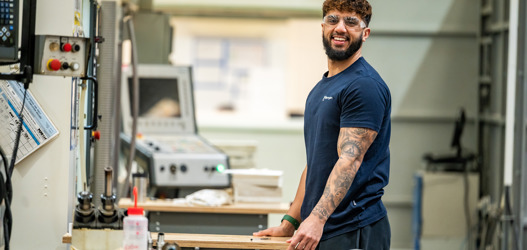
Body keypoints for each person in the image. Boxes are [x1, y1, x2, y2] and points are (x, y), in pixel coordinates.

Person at [253, 0, 391, 249]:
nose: (340, 28)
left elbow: (349, 160)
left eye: (351, 22)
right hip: (324, 227)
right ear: (323, 26)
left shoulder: (363, 86)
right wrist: (290, 222)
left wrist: (317, 218)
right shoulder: (323, 86)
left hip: (352, 228)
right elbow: (317, 162)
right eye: (333, 19)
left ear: (365, 33)